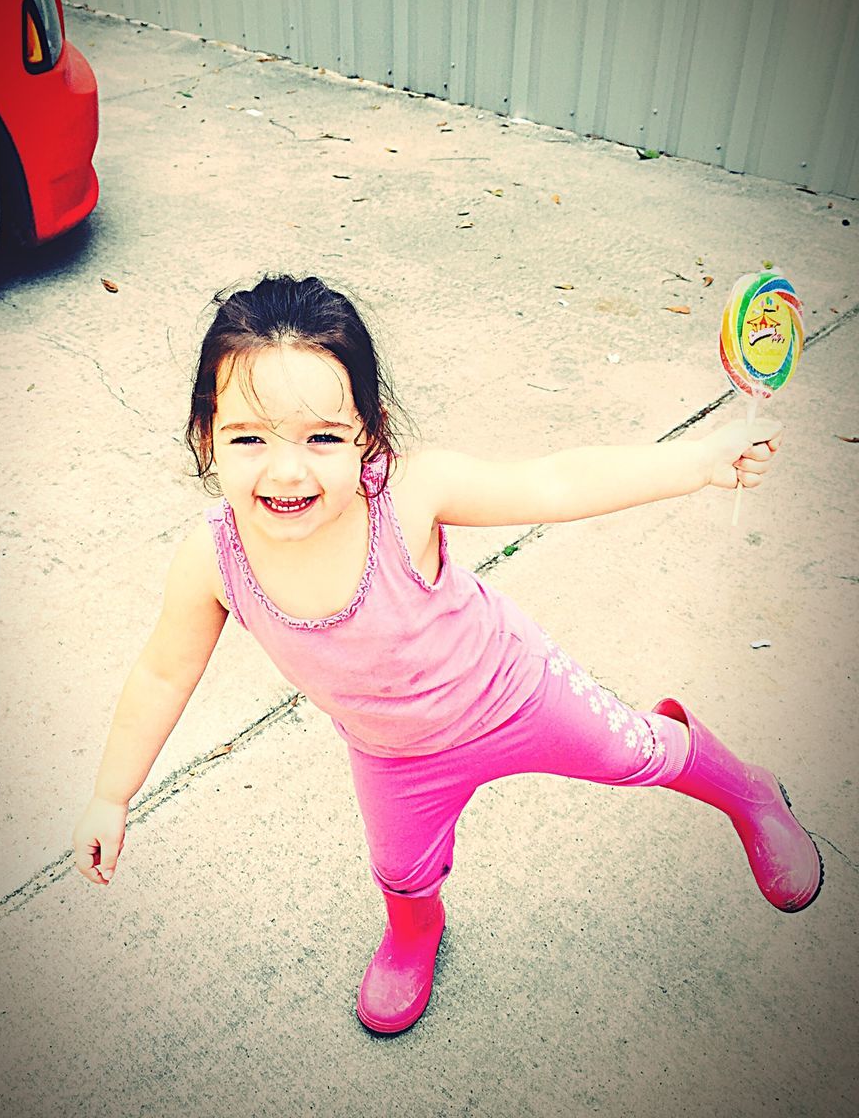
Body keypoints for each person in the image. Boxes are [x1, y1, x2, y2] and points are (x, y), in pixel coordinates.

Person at [72, 274, 822, 1035]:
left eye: (323, 436)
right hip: (395, 753)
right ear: (207, 434)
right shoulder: (212, 558)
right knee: (401, 870)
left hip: (516, 694)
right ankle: (413, 934)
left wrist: (701, 462)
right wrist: (111, 792)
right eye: (248, 438)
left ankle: (748, 789)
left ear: (371, 430)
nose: (287, 469)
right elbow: (165, 670)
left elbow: (554, 480)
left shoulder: (406, 496)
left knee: (639, 754)